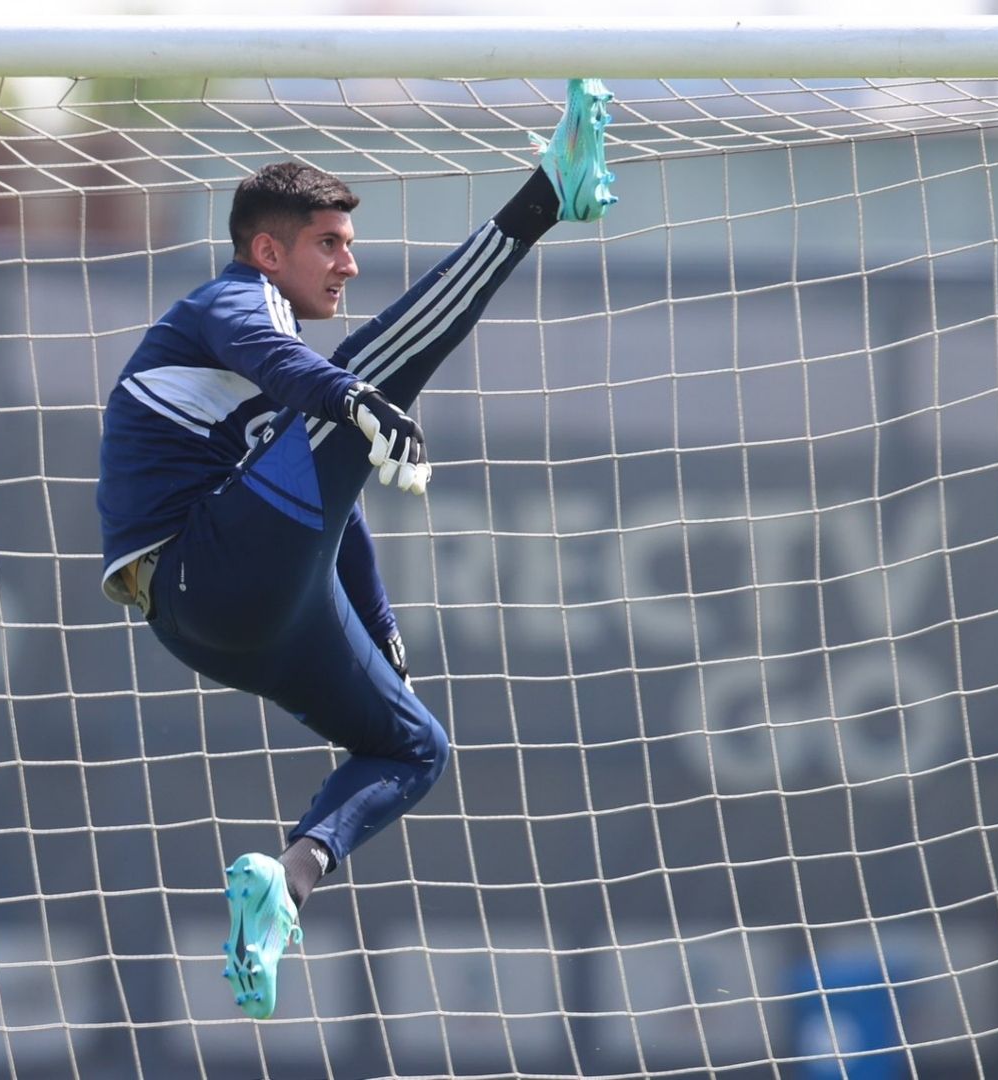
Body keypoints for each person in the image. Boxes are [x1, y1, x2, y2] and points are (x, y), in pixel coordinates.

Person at [95, 78, 617, 1020]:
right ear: (268, 250)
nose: (348, 263)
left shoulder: (287, 379)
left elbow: (332, 511)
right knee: (360, 380)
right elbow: (295, 373)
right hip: (200, 573)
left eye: (347, 243)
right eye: (328, 244)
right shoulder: (231, 303)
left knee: (414, 742)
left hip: (239, 618)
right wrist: (354, 399)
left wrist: (381, 632)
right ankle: (546, 194)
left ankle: (283, 887)